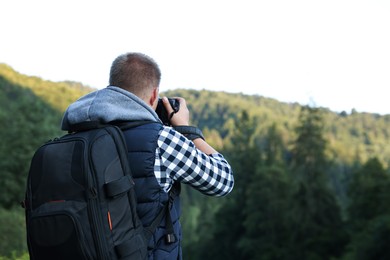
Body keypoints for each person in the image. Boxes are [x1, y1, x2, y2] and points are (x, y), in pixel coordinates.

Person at [61, 52, 234, 259]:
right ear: (154, 95)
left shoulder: (75, 137)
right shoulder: (161, 139)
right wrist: (187, 130)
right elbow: (223, 180)